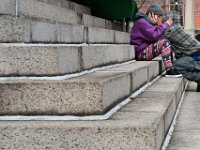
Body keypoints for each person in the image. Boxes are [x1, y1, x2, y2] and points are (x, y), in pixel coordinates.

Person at [130, 3, 182, 77]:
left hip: (145, 50)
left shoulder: (146, 22)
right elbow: (154, 36)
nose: (161, 21)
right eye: (160, 18)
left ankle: (172, 67)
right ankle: (169, 70)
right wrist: (165, 25)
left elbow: (157, 37)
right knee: (165, 42)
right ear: (153, 15)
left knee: (167, 41)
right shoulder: (141, 22)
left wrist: (155, 25)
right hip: (141, 53)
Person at [161, 11, 200, 92]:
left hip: (196, 56)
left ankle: (198, 76)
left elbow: (158, 38)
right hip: (193, 56)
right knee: (178, 65)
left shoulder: (173, 29)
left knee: (176, 67)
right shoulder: (177, 27)